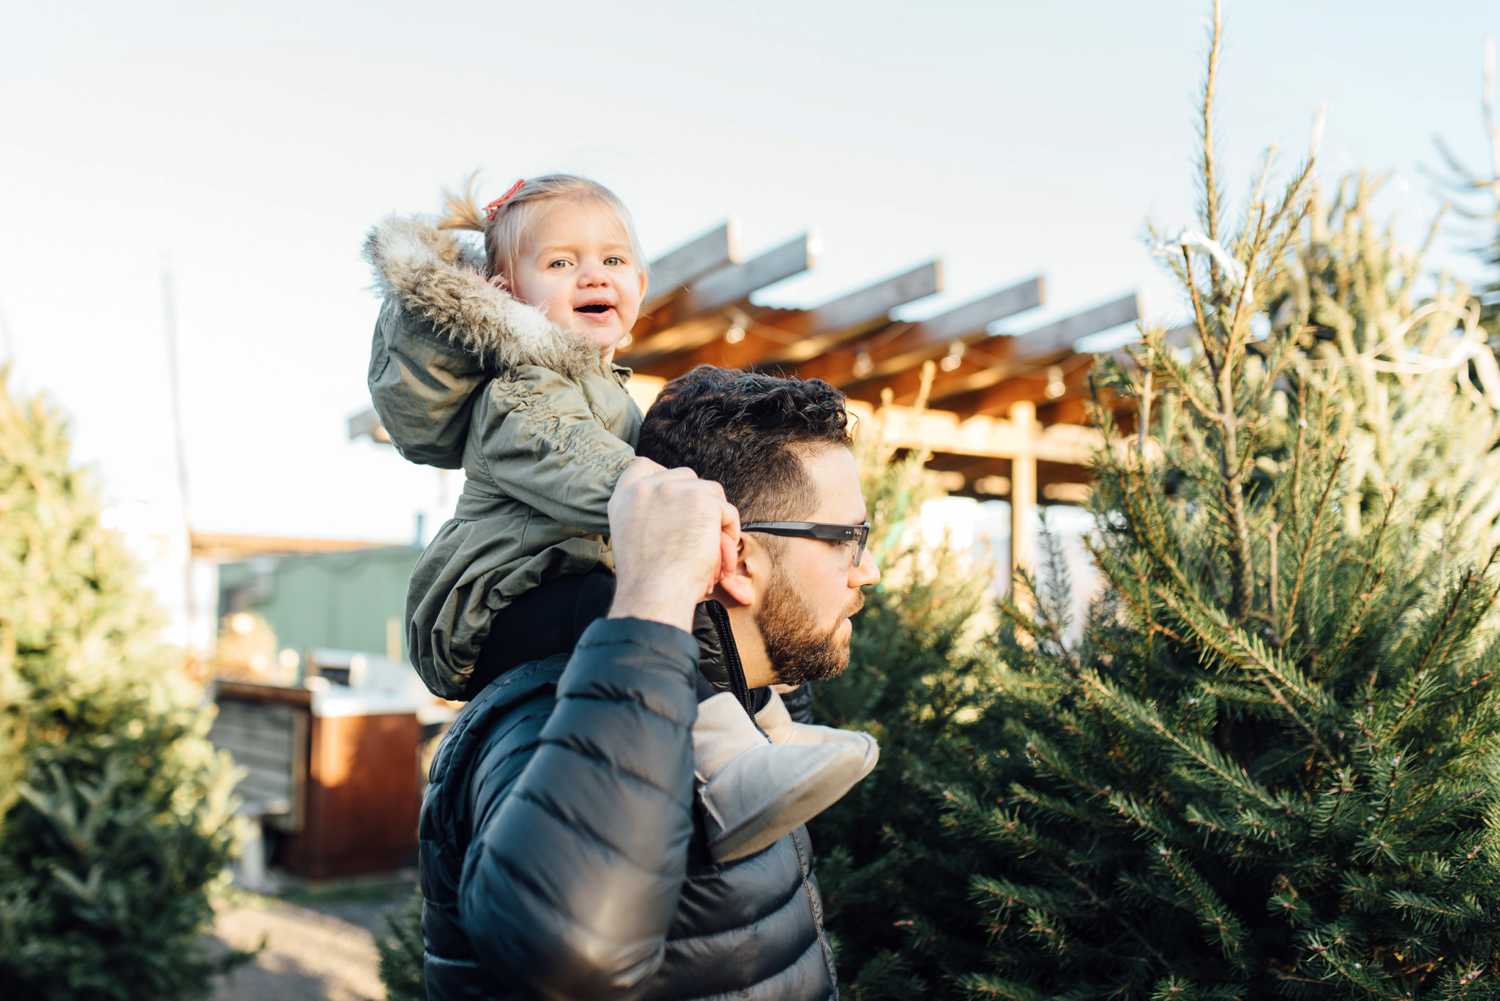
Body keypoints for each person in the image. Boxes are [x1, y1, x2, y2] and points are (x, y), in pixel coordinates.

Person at [364, 174, 875, 863]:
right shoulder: (522, 387)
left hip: (558, 580)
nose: (591, 275)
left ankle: (766, 730)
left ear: (638, 280)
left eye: (611, 260)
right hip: (495, 603)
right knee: (628, 606)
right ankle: (727, 770)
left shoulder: (601, 384)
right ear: (507, 295)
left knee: (689, 607)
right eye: (560, 262)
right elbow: (566, 454)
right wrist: (659, 491)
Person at [417, 365, 881, 1000]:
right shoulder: (546, 716)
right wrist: (659, 586)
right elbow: (570, 948)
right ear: (737, 557)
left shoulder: (734, 710)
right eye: (847, 540)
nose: (868, 570)